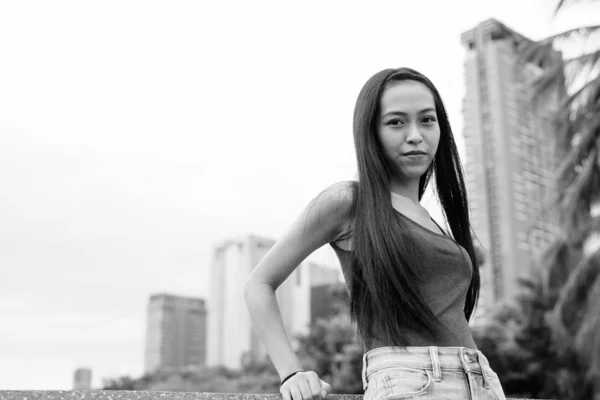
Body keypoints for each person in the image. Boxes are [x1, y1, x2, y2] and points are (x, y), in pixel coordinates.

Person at [244, 67, 506, 400]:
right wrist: (292, 372)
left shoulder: (430, 218)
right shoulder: (351, 202)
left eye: (427, 120)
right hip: (413, 384)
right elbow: (258, 284)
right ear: (371, 132)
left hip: (481, 382)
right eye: (396, 122)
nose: (415, 135)